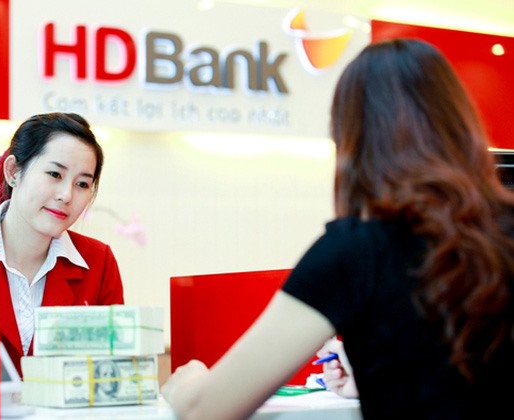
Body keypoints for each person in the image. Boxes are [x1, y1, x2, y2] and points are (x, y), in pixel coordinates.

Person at [161, 38, 514, 419]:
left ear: (351, 139)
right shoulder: (503, 231)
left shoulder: (356, 251)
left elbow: (205, 410)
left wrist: (187, 382)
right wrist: (373, 375)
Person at [0, 112, 124, 376]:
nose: (67, 195)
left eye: (82, 184)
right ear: (13, 172)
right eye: (55, 174)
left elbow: (113, 374)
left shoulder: (98, 262)